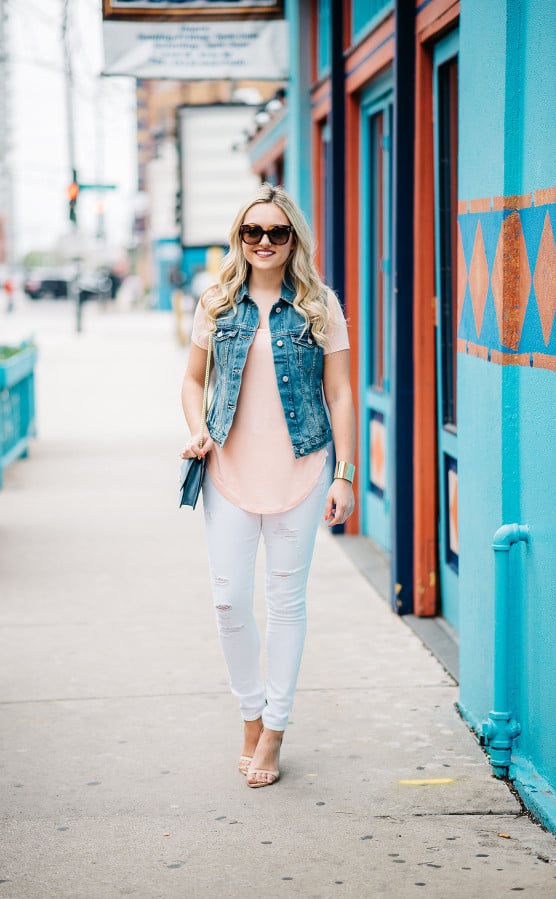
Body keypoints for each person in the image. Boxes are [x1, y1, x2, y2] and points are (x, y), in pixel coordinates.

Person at [181, 184, 355, 788]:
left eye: (276, 233)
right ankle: (250, 715)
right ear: (239, 237)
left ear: (293, 240)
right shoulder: (216, 303)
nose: (263, 242)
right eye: (252, 232)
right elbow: (191, 381)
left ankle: (274, 730)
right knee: (228, 601)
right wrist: (199, 428)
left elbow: (340, 393)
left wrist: (345, 474)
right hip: (227, 470)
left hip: (302, 471)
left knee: (286, 605)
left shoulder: (319, 305)